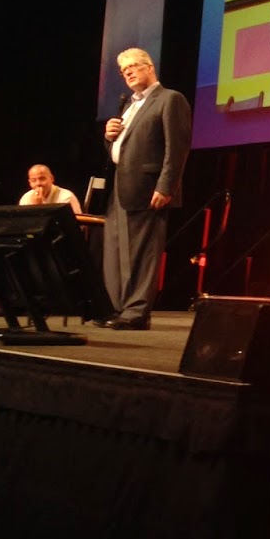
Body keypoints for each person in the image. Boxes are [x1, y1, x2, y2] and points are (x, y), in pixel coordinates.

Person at [101, 48, 191, 330]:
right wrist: (109, 138)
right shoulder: (128, 105)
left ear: (149, 67)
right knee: (115, 252)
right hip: (121, 186)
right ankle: (117, 308)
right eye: (123, 70)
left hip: (149, 188)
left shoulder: (169, 99)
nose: (127, 72)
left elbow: (177, 148)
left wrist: (166, 186)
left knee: (142, 253)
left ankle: (136, 313)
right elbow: (122, 150)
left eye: (132, 66)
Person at [19, 164, 83, 215]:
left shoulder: (66, 197)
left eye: (42, 179)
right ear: (29, 183)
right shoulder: (26, 198)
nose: (38, 183)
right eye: (34, 180)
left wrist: (39, 207)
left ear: (51, 179)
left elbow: (73, 224)